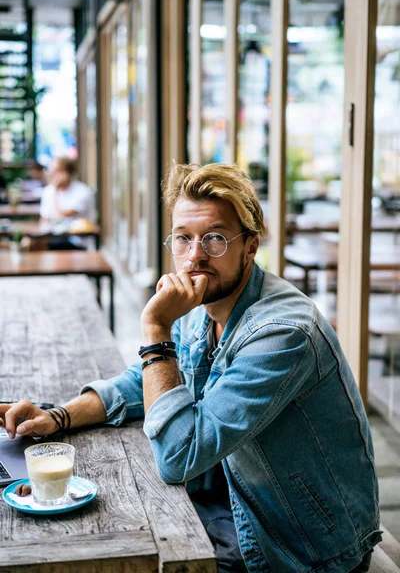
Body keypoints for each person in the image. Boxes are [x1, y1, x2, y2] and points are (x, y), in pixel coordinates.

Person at [0, 163, 381, 572]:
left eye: (215, 238)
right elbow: (141, 380)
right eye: (183, 238)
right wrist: (57, 417)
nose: (195, 255)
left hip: (297, 541)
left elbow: (178, 456)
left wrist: (155, 328)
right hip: (235, 493)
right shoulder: (202, 301)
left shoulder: (284, 333)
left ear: (250, 247)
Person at [39, 156, 96, 249]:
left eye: (56, 171)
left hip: (78, 242)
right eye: (50, 171)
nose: (52, 174)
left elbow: (58, 215)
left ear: (67, 172)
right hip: (54, 239)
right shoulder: (48, 191)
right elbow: (44, 220)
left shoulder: (82, 191)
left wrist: (55, 190)